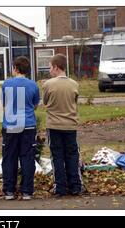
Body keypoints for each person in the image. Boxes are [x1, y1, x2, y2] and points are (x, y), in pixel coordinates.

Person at [42, 53, 84, 197]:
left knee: (57, 156)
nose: (49, 71)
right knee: (72, 155)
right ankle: (76, 186)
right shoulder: (74, 84)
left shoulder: (48, 84)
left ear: (55, 67)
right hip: (70, 125)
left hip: (54, 125)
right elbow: (75, 101)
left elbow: (46, 102)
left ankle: (60, 187)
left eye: (50, 68)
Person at [1, 56, 40, 200]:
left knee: (9, 158)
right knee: (27, 157)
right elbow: (35, 105)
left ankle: (9, 190)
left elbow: (4, 104)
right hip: (28, 125)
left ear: (15, 68)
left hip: (10, 126)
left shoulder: (6, 84)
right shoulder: (33, 85)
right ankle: (27, 191)